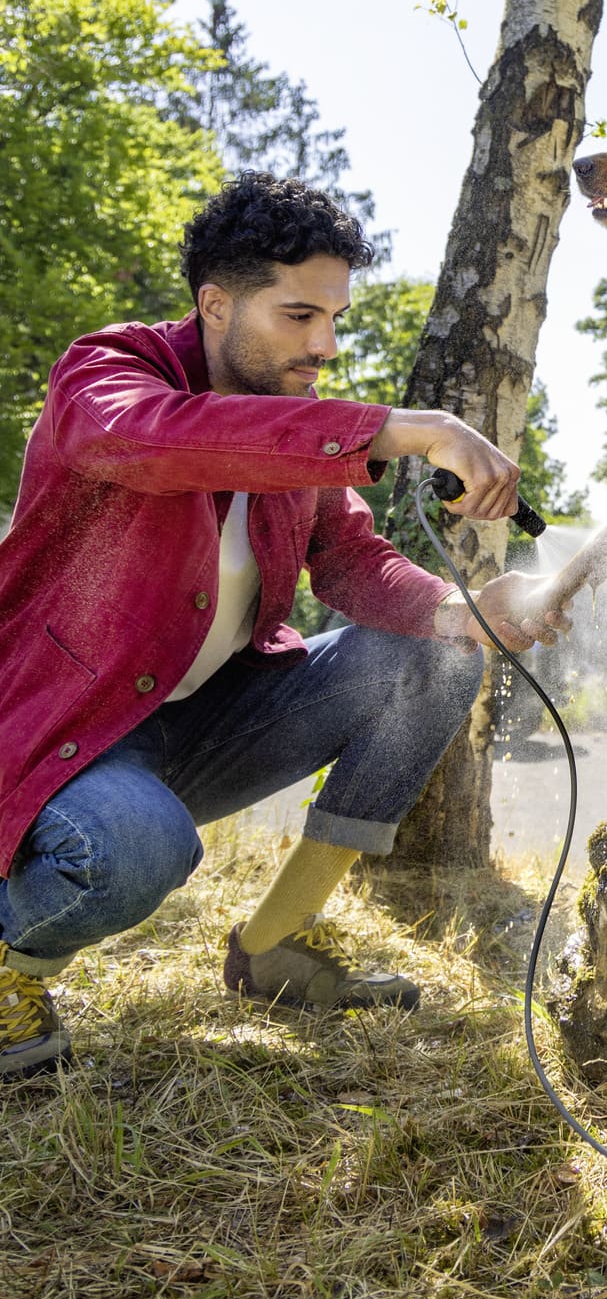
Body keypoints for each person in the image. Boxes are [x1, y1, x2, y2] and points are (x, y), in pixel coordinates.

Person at [0, 173, 542, 1078]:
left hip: (206, 721)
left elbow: (350, 557)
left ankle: (275, 944)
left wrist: (462, 611)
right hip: (67, 734)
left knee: (436, 658)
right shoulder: (106, 373)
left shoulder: (297, 424)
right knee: (133, 849)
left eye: (333, 317)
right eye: (299, 316)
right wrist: (407, 428)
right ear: (216, 304)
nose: (324, 344)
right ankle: (10, 966)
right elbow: (156, 439)